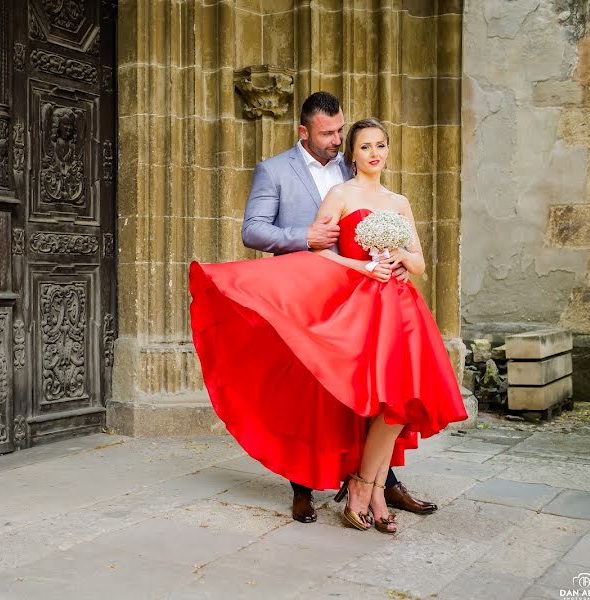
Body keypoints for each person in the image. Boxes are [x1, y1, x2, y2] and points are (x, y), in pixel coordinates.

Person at [189, 100, 467, 533]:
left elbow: (401, 240)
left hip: (363, 298)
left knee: (376, 391)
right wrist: (306, 236)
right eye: (328, 134)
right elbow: (253, 229)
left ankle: (380, 483)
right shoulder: (274, 170)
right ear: (304, 132)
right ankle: (304, 486)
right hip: (304, 292)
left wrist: (393, 257)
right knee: (313, 389)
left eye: (342, 133)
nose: (337, 141)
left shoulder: (350, 171)